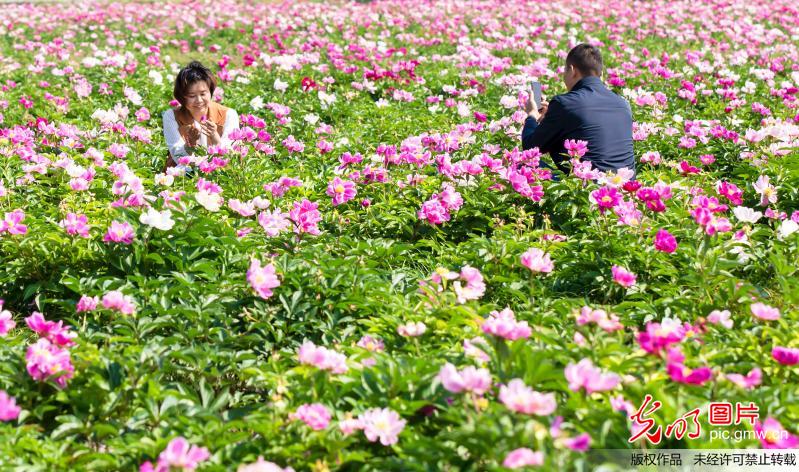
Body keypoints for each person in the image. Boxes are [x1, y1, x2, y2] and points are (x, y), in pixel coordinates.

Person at [522, 44, 635, 176]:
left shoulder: (564, 104)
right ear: (601, 74)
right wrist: (551, 117)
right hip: (623, 187)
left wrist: (532, 116)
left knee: (523, 163)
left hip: (589, 189)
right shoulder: (623, 104)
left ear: (572, 70)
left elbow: (530, 149)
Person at [162, 61, 239, 171]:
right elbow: (177, 155)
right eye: (192, 95)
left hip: (220, 173)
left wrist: (214, 136)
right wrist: (189, 146)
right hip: (183, 175)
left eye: (203, 94)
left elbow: (230, 155)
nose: (199, 100)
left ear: (210, 91)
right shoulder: (171, 116)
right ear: (182, 97)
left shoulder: (228, 114)